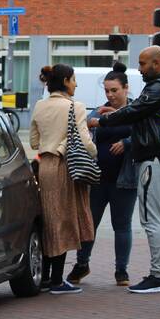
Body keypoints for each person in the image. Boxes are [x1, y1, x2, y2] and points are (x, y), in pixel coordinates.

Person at [92, 46, 160, 294]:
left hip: (153, 159)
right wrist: (119, 112)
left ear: (158, 63)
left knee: (152, 219)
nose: (139, 69)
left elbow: (137, 110)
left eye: (143, 63)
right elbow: (139, 111)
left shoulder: (159, 87)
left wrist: (103, 120)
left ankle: (159, 275)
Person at [67, 62, 137, 286]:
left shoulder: (136, 112)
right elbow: (83, 131)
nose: (110, 95)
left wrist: (127, 142)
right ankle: (81, 264)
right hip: (97, 178)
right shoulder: (100, 111)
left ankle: (121, 271)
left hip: (124, 180)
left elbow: (147, 136)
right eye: (107, 90)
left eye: (115, 90)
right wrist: (90, 123)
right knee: (89, 223)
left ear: (126, 88)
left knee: (122, 225)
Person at [29, 64, 96, 294]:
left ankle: (46, 277)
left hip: (44, 166)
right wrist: (95, 155)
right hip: (66, 166)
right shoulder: (75, 107)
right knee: (65, 219)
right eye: (74, 79)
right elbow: (85, 141)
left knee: (50, 218)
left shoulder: (39, 105)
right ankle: (57, 280)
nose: (76, 84)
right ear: (66, 81)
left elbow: (33, 142)